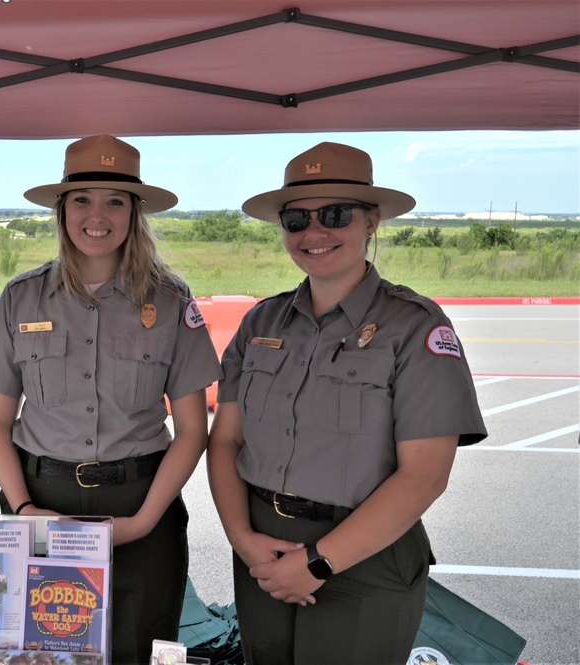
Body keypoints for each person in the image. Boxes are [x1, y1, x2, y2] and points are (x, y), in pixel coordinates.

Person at [207, 142, 488, 664]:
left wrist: (316, 563)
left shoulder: (416, 327)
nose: (314, 233)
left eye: (335, 215)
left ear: (371, 221)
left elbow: (425, 475)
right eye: (296, 219)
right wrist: (243, 539)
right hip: (263, 550)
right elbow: (225, 440)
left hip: (367, 558)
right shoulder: (261, 324)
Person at [0, 135, 222, 665]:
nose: (98, 215)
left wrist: (142, 522)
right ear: (62, 211)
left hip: (140, 505)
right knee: (36, 654)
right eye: (82, 200)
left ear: (135, 213)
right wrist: (24, 510)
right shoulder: (20, 298)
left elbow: (193, 429)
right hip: (39, 499)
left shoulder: (171, 300)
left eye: (115, 201)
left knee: (137, 649)